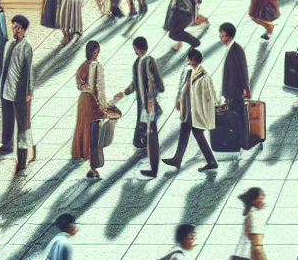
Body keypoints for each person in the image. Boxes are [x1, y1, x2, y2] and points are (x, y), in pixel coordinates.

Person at [163, 47, 219, 172]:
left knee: (194, 133)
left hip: (195, 112)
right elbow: (184, 89)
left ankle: (181, 159)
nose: (189, 62)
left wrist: (209, 110)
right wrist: (179, 100)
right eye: (189, 59)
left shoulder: (203, 76)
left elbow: (209, 95)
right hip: (189, 110)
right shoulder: (191, 72)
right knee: (195, 134)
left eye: (191, 60)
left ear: (197, 60)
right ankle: (209, 161)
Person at [71, 41, 120, 180]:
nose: (97, 54)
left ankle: (82, 154)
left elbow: (80, 86)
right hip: (92, 101)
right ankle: (94, 167)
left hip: (83, 101)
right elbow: (99, 89)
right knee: (95, 133)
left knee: (83, 128)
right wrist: (104, 106)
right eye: (96, 52)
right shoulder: (96, 66)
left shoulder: (82, 66)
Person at [0, 15, 34, 170]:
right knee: (8, 120)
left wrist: (28, 92)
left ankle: (22, 157)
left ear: (23, 30)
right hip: (7, 90)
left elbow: (28, 72)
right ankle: (6, 145)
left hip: (20, 92)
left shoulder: (26, 48)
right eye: (14, 27)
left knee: (23, 125)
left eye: (18, 28)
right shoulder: (10, 44)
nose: (15, 31)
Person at [120, 36, 164, 178]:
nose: (134, 51)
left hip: (148, 102)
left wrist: (151, 98)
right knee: (144, 128)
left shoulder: (148, 61)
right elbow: (135, 83)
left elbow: (153, 80)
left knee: (150, 130)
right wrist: (125, 92)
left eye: (135, 48)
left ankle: (153, 165)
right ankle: (147, 153)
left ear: (139, 48)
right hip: (142, 102)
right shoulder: (137, 63)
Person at [219, 22, 250, 134]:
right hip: (232, 91)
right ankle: (240, 138)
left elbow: (243, 70)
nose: (221, 39)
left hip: (236, 91)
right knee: (236, 116)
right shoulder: (231, 49)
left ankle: (240, 139)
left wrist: (246, 87)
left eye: (222, 36)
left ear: (227, 36)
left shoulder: (236, 49)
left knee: (237, 116)